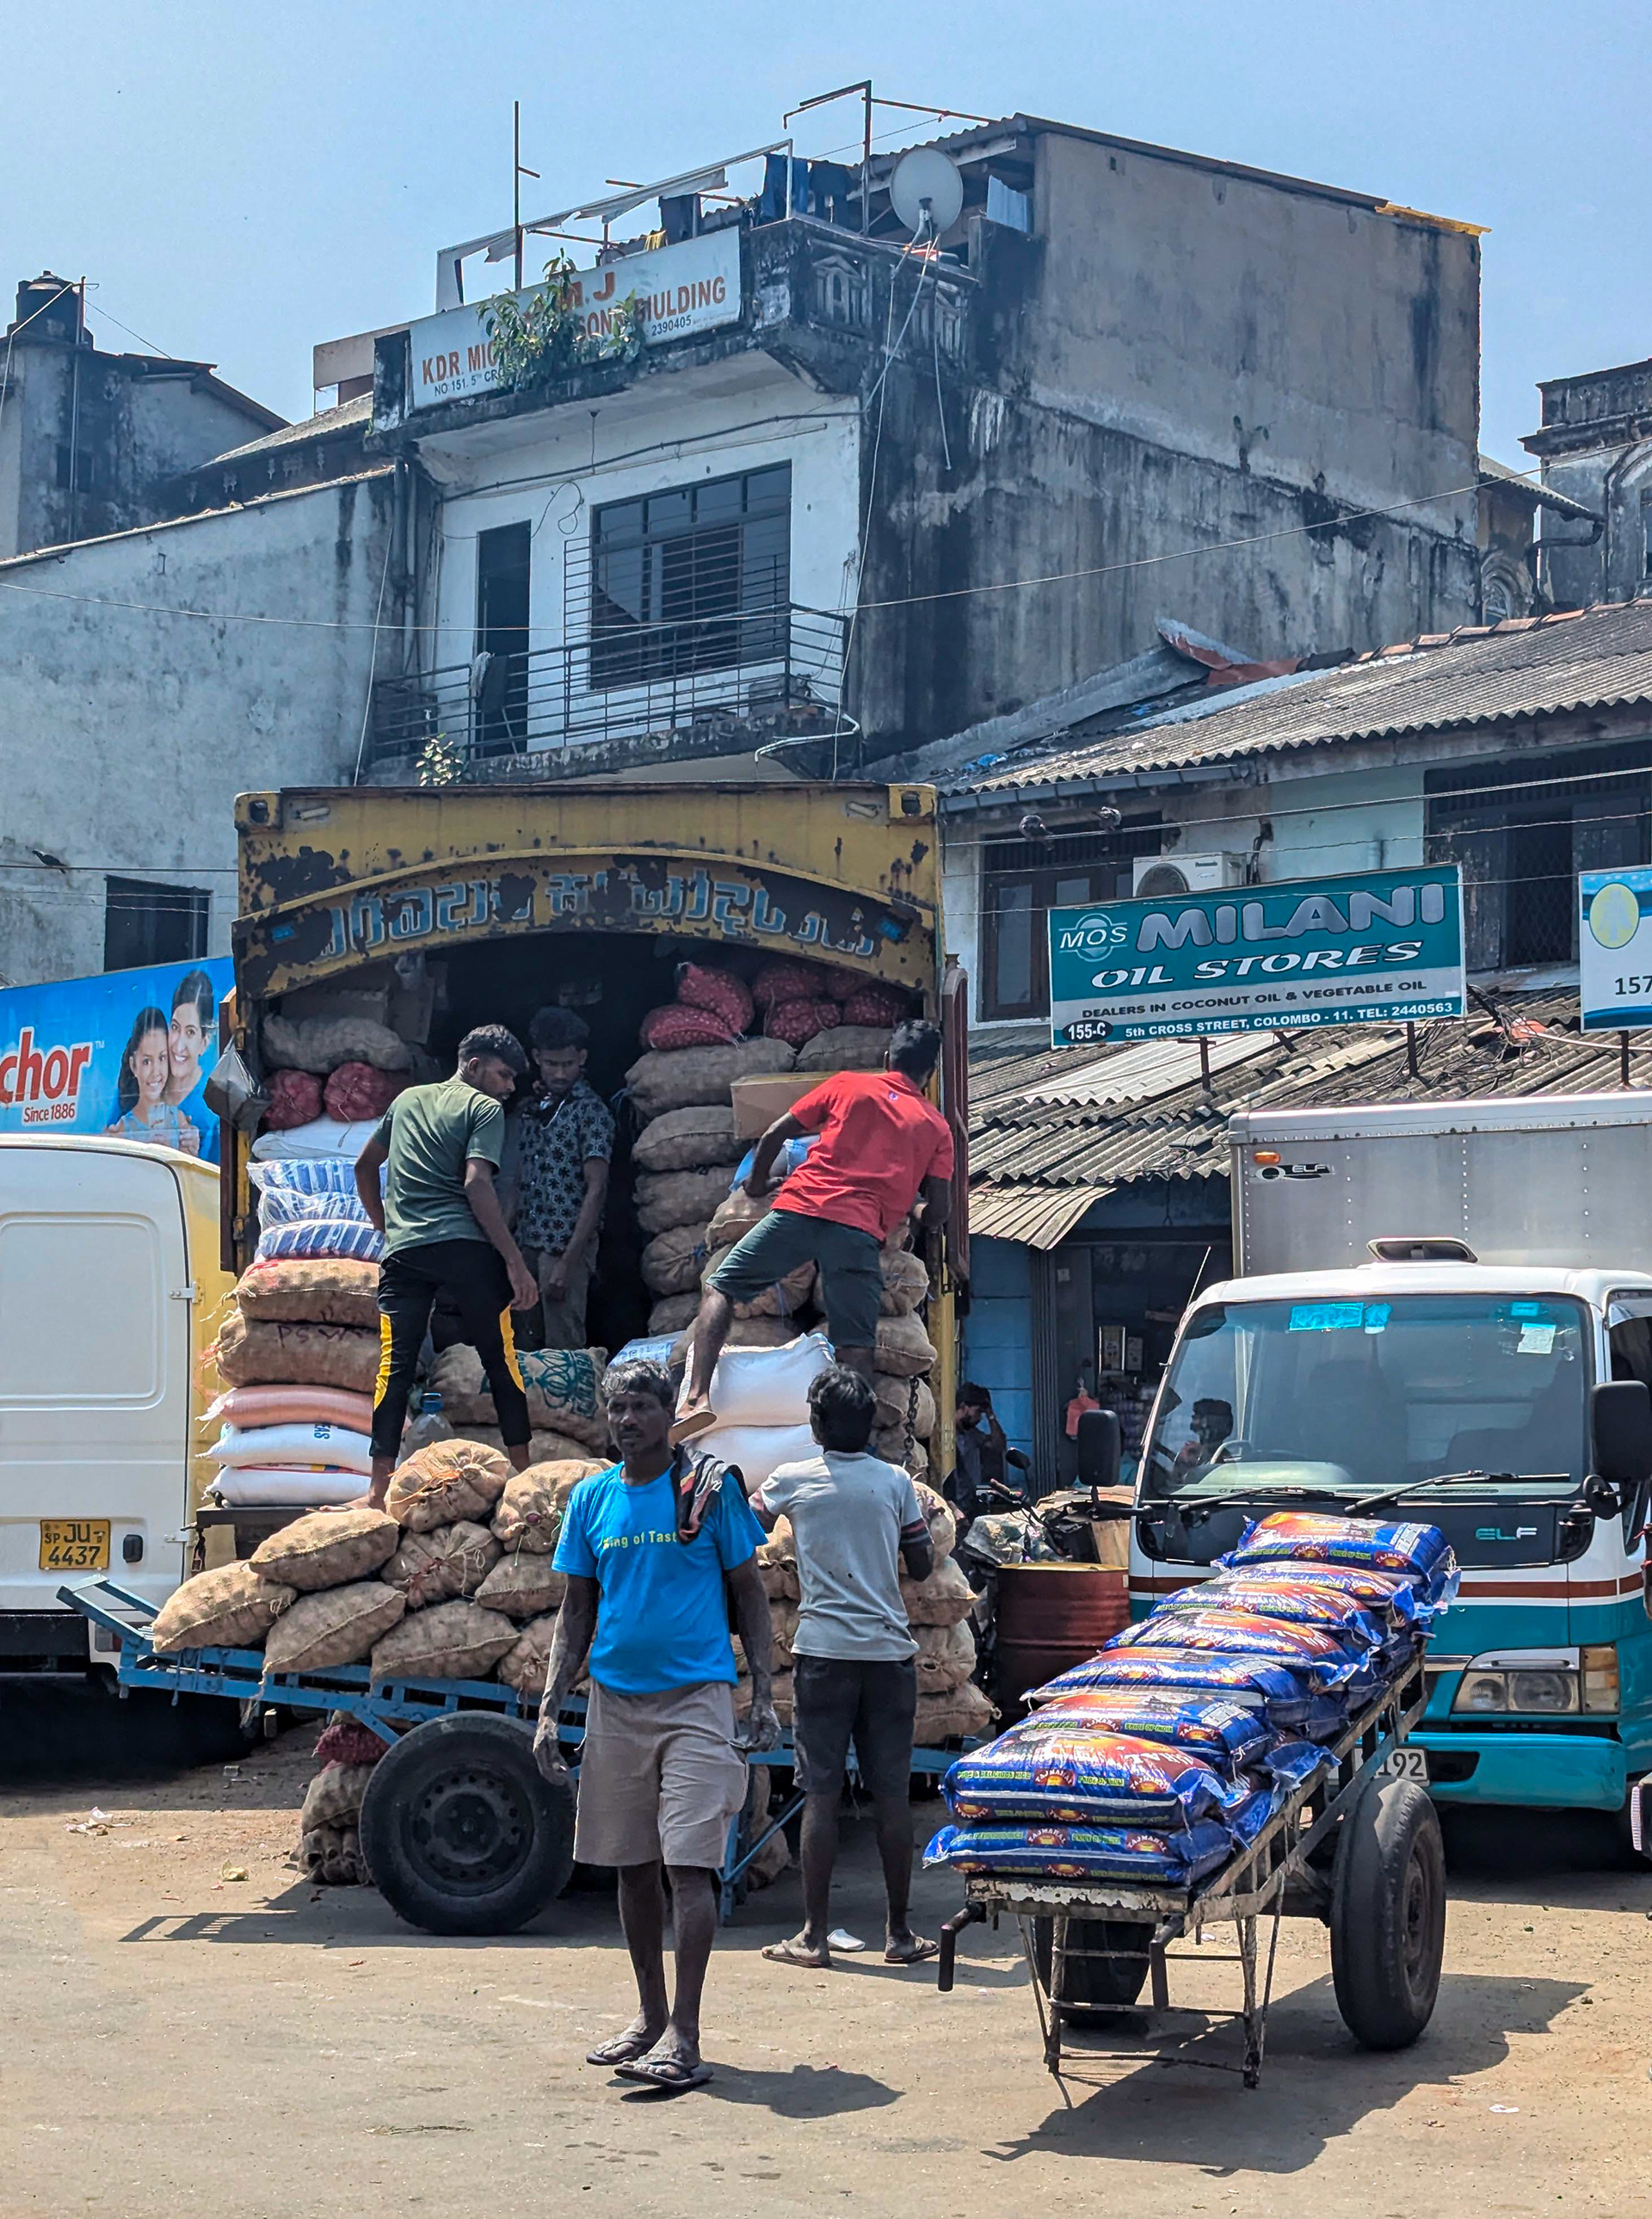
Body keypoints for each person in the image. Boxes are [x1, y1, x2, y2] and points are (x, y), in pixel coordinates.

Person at [533, 1359, 779, 2096]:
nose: (629, 1419)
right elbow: (576, 1611)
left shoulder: (706, 1491)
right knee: (630, 1863)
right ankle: (648, 2017)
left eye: (642, 1406)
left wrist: (763, 1691)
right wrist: (550, 1706)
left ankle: (686, 2034)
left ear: (669, 1412)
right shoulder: (591, 1500)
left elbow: (751, 1594)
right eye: (618, 1408)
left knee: (688, 1863)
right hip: (616, 1704)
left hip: (697, 1701)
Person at [677, 1019, 953, 1440]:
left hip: (801, 1210)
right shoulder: (936, 1128)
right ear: (929, 1074)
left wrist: (754, 1185)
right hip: (858, 1232)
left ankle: (697, 1400)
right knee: (855, 1347)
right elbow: (938, 1214)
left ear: (885, 1060)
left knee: (721, 1288)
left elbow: (774, 1133)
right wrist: (913, 1207)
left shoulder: (847, 1085)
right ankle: (851, 1447)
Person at [749, 1365, 937, 1970]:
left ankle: (814, 1935)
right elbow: (924, 1563)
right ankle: (900, 1932)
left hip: (824, 1655)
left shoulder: (795, 1479)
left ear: (818, 1424)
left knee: (821, 1795)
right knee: (891, 1797)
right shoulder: (895, 1483)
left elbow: (747, 1522)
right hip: (888, 1656)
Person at [352, 1024, 538, 1505]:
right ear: (473, 1066)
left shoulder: (407, 1100)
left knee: (395, 1366)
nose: (509, 1086)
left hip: (404, 1253)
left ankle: (378, 1489)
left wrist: (386, 1227)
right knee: (501, 1359)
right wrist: (514, 1262)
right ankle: (523, 1473)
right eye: (503, 1074)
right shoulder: (483, 1108)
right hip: (465, 1247)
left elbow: (363, 1166)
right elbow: (478, 1186)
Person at [509, 1006, 613, 1350]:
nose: (559, 1072)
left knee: (563, 1348)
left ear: (582, 1058)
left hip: (564, 1247)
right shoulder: (531, 1109)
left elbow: (596, 1190)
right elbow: (515, 1179)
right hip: (527, 1243)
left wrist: (568, 1264)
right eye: (551, 1064)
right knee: (523, 1343)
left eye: (567, 1064)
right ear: (536, 1057)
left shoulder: (591, 1111)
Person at [106, 1005, 201, 1153]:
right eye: (146, 1061)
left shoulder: (178, 1120)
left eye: (162, 1058)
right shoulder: (124, 1130)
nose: (156, 1071)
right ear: (133, 1065)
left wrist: (189, 1152)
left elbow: (188, 1172)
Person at [162, 969, 216, 1110]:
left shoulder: (212, 1106)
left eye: (190, 1032)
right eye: (175, 1027)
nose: (179, 1046)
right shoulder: (148, 1080)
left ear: (204, 1043)